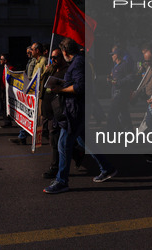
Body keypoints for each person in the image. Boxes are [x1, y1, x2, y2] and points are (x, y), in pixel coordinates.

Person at [43, 38, 117, 194]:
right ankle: (107, 168)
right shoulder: (78, 61)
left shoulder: (77, 63)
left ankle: (62, 181)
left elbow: (79, 87)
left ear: (65, 52)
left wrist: (60, 90)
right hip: (77, 109)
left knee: (63, 144)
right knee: (85, 141)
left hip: (74, 111)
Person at [40, 48, 69, 179]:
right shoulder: (51, 69)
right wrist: (46, 70)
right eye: (52, 57)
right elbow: (41, 83)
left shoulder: (66, 72)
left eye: (56, 57)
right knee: (52, 136)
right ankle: (77, 152)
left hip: (57, 112)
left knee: (56, 140)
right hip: (48, 111)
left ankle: (55, 167)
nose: (53, 60)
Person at [11, 42, 47, 145]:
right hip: (33, 93)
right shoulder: (36, 61)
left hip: (38, 94)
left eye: (32, 49)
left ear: (37, 50)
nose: (30, 51)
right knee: (30, 115)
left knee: (37, 117)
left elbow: (42, 77)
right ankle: (22, 136)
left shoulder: (43, 61)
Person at [107, 45, 135, 131]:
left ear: (117, 55)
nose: (111, 56)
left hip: (121, 93)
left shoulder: (124, 65)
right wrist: (110, 78)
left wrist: (118, 82)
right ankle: (128, 129)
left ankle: (111, 131)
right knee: (123, 112)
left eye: (113, 54)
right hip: (115, 92)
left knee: (113, 113)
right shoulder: (115, 66)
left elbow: (130, 77)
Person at [0, 53, 15, 128]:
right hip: (3, 89)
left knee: (6, 106)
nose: (0, 61)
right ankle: (6, 121)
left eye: (1, 59)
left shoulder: (10, 68)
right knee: (3, 105)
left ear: (5, 60)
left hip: (7, 90)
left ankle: (7, 122)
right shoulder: (5, 67)